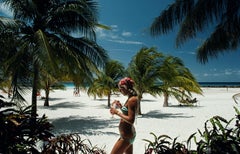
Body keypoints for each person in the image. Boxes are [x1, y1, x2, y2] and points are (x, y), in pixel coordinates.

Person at [110, 77, 138, 154]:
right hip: (128, 135)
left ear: (126, 88)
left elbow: (131, 120)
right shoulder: (130, 98)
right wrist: (121, 107)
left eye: (121, 88)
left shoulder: (132, 100)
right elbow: (128, 113)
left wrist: (117, 112)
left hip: (126, 137)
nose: (119, 90)